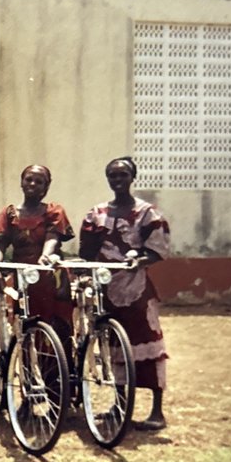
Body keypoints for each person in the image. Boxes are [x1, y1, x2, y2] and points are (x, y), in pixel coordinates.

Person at [78, 156, 170, 430]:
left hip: (136, 289)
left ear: (132, 178)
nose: (117, 180)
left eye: (122, 175)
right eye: (113, 176)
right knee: (114, 347)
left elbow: (157, 250)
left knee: (148, 344)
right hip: (106, 288)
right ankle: (119, 406)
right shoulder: (97, 213)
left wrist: (139, 259)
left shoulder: (147, 213)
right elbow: (87, 251)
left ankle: (157, 411)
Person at [0, 164, 75, 345]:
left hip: (51, 276)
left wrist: (45, 255)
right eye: (29, 179)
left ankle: (61, 372)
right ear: (21, 182)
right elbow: (0, 243)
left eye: (39, 181)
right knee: (27, 325)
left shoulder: (54, 211)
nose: (33, 184)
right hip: (25, 278)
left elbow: (53, 237)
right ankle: (29, 371)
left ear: (47, 186)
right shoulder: (9, 214)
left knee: (57, 328)